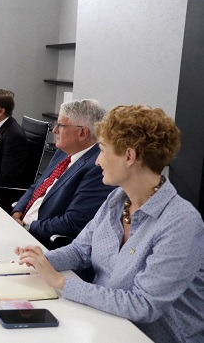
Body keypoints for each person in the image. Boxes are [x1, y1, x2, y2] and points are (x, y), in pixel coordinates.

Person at [16, 105, 204, 343]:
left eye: (103, 150)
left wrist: (60, 282)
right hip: (105, 322)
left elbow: (143, 305)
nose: (97, 162)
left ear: (129, 156)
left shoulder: (180, 222)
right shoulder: (117, 199)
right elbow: (81, 250)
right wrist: (37, 261)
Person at [11, 99, 115, 247]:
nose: (54, 130)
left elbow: (73, 222)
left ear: (82, 133)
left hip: (42, 242)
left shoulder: (97, 168)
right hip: (20, 227)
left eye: (60, 125)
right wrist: (17, 212)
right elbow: (38, 186)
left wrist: (28, 227)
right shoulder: (62, 152)